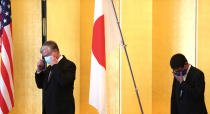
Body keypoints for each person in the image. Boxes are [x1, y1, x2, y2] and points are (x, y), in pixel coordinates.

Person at [35, 41, 76, 114]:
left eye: (47, 55)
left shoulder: (69, 65)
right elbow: (40, 85)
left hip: (62, 110)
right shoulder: (49, 68)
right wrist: (39, 70)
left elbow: (63, 82)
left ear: (55, 51)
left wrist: (55, 66)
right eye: (44, 56)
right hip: (47, 110)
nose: (45, 58)